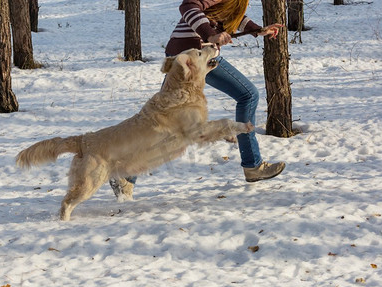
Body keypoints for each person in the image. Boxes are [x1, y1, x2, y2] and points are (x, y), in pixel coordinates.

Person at [110, 0, 285, 200]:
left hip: (193, 55)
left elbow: (224, 14)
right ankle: (252, 165)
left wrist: (257, 29)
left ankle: (125, 174)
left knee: (161, 122)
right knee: (247, 95)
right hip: (192, 57)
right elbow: (189, 6)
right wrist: (209, 34)